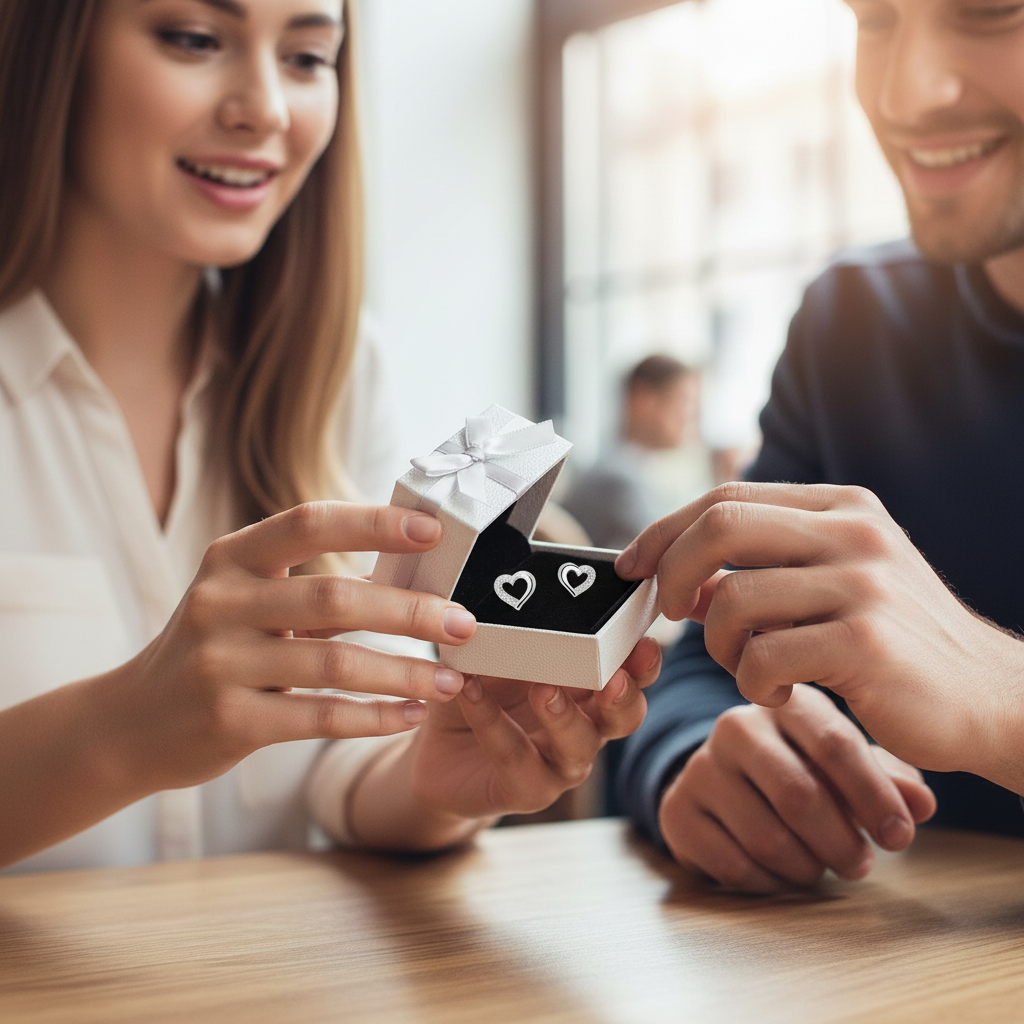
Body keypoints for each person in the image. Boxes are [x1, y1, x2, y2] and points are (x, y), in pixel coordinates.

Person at [0, 0, 661, 873]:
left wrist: (437, 778)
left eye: (308, 57)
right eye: (195, 39)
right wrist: (120, 734)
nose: (268, 109)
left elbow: (333, 775)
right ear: (53, 49)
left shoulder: (339, 369)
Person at [614, 0, 1024, 894]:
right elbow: (711, 655)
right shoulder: (854, 321)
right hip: (883, 948)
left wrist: (1004, 703)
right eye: (875, 19)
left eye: (992, 10)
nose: (905, 94)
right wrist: (700, 758)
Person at [561, 354, 712, 552]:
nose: (691, 415)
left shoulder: (619, 469)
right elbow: (669, 554)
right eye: (684, 400)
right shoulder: (618, 481)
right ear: (643, 399)